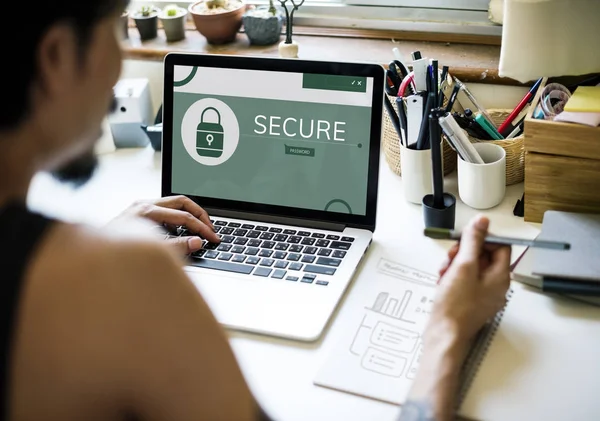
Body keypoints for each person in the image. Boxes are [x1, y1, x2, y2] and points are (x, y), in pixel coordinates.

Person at [0, 1, 511, 420]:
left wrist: (96, 250)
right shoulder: (130, 277)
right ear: (57, 55)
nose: (116, 67)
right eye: (113, 29)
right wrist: (447, 329)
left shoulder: (91, 265)